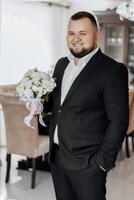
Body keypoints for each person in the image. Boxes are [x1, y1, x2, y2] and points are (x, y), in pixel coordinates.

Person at [46, 11, 129, 200]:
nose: (76, 39)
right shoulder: (60, 65)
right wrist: (38, 106)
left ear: (97, 36)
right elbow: (57, 108)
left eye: (82, 33)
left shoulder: (112, 70)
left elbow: (118, 121)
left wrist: (102, 163)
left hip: (89, 164)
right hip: (57, 158)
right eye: (71, 33)